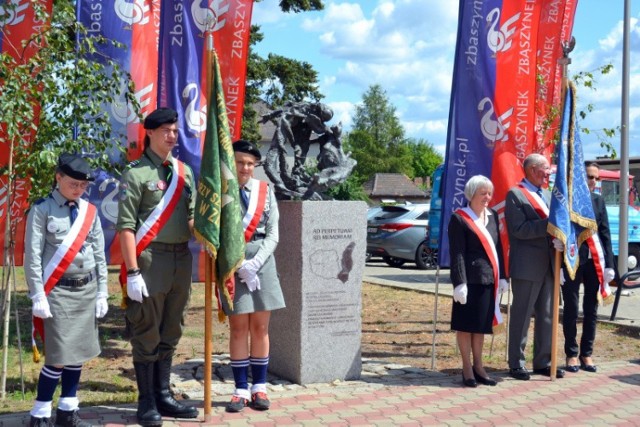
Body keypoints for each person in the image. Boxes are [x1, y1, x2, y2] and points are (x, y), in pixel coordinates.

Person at [117, 108, 198, 426]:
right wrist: (133, 272)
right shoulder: (135, 173)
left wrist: (210, 227)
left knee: (172, 328)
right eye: (165, 130)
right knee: (146, 330)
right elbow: (125, 227)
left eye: (175, 130)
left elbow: (191, 218)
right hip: (150, 259)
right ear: (149, 133)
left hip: (182, 259)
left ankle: (164, 395)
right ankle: (146, 401)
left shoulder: (184, 172)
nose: (172, 135)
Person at [25, 153, 108, 427]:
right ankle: (40, 413)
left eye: (83, 186)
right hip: (57, 293)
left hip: (86, 290)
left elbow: (99, 254)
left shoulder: (89, 211)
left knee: (79, 354)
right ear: (58, 177)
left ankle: (67, 411)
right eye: (74, 184)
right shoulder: (42, 209)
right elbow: (33, 257)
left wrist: (102, 292)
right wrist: (37, 294)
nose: (79, 190)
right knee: (59, 357)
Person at [222, 140, 286, 413]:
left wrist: (257, 261)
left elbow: (273, 232)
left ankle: (259, 387)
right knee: (238, 327)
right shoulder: (221, 191)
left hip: (263, 261)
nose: (245, 167)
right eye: (240, 162)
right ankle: (239, 389)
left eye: (250, 163)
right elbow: (217, 234)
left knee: (260, 327)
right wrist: (237, 264)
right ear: (231, 162)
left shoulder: (265, 191)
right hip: (231, 263)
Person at [505, 153, 565, 380]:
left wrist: (559, 237)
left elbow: (555, 226)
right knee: (521, 316)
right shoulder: (515, 195)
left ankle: (543, 361)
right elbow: (519, 230)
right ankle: (516, 363)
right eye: (545, 169)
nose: (548, 173)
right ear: (531, 169)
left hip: (549, 263)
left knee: (548, 315)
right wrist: (549, 226)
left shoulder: (549, 196)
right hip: (527, 266)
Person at [448, 175, 508, 387]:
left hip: (487, 279)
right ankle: (466, 367)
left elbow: (498, 248)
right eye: (483, 193)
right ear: (471, 194)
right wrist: (459, 282)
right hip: (469, 280)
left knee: (481, 326)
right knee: (465, 326)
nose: (487, 197)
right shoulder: (459, 218)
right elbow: (457, 253)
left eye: (489, 193)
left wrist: (502, 277)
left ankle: (479, 366)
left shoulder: (492, 215)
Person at [562, 162, 616, 373]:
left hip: (594, 262)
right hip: (573, 260)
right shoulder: (568, 200)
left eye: (595, 177)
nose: (592, 181)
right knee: (571, 308)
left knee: (591, 309)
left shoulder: (598, 200)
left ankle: (587, 353)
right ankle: (571, 354)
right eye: (589, 176)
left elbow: (605, 234)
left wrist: (610, 264)